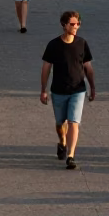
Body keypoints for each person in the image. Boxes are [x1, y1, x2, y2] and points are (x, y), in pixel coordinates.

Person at [41, 10, 95, 169]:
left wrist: (92, 87)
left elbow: (88, 67)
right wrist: (43, 90)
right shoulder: (53, 45)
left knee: (74, 122)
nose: (76, 26)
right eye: (72, 24)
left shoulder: (82, 43)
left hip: (78, 89)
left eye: (78, 23)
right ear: (64, 25)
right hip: (58, 89)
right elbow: (46, 68)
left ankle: (70, 156)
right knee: (60, 123)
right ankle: (62, 142)